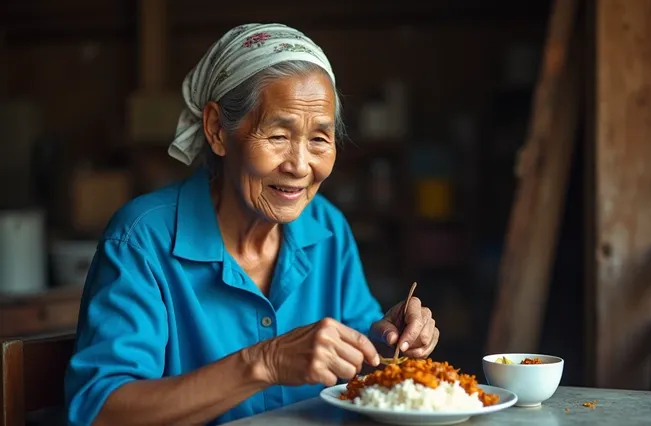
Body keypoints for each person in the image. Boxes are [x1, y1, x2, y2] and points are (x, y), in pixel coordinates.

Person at [64, 23, 440, 426]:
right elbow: (100, 412)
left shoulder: (327, 228)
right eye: (278, 135)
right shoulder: (142, 240)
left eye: (319, 139)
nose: (299, 165)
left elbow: (360, 367)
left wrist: (388, 336)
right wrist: (265, 362)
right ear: (216, 130)